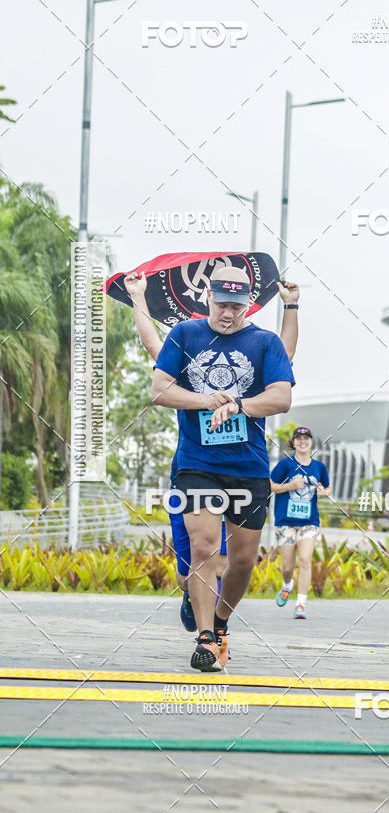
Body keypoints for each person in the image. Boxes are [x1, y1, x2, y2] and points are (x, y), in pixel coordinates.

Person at [124, 270, 299, 635]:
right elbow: (153, 353)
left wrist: (291, 306)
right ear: (207, 296)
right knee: (199, 556)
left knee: (237, 562)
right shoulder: (186, 337)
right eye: (222, 304)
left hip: (247, 468)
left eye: (237, 307)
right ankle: (205, 636)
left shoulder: (263, 344)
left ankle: (218, 623)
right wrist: (139, 297)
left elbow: (283, 375)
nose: (228, 313)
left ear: (248, 305)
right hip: (195, 466)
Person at [270, 426, 331, 619]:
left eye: (306, 438)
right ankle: (288, 585)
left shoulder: (319, 467)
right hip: (285, 522)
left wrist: (324, 492)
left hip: (309, 522)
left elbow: (328, 487)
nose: (302, 441)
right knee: (288, 567)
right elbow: (269, 485)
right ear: (293, 442)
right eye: (299, 438)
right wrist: (289, 486)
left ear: (311, 442)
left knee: (305, 560)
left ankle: (301, 604)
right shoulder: (285, 464)